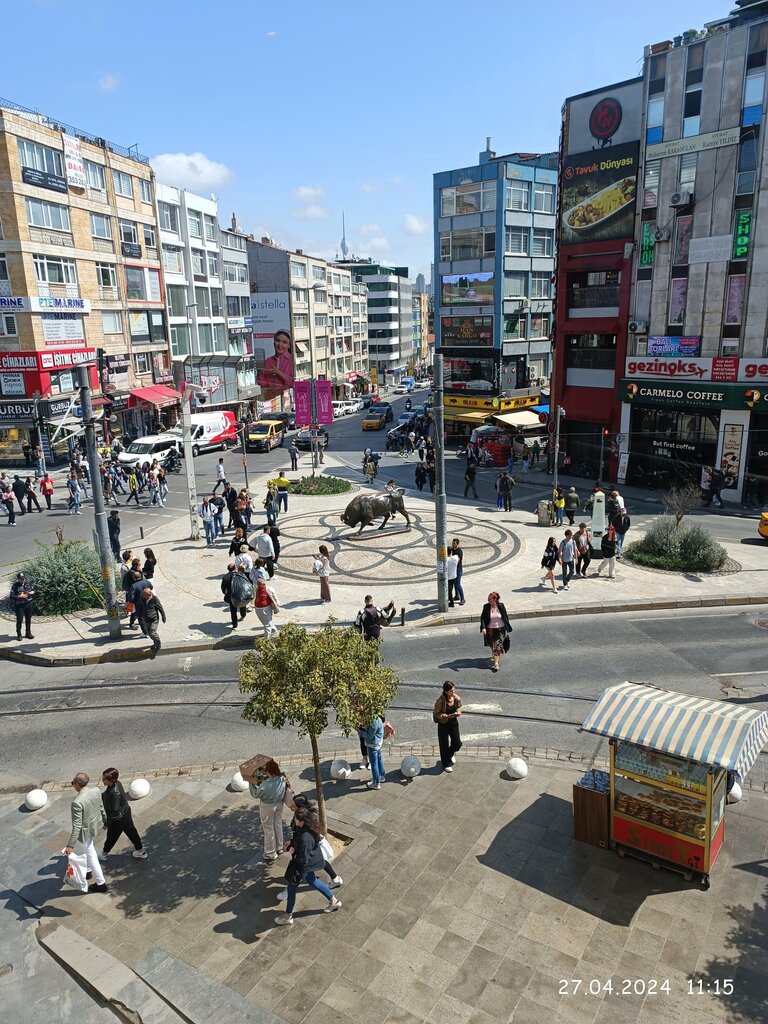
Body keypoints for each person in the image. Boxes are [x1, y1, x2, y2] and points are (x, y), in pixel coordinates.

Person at [274, 804, 341, 926]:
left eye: (296, 819)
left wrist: (290, 853)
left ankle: (288, 916)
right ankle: (333, 900)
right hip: (310, 864)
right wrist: (292, 842)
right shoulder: (307, 828)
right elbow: (299, 840)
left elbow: (303, 859)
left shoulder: (306, 838)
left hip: (302, 866)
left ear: (302, 821)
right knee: (313, 882)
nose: (294, 820)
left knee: (292, 887)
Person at [64, 772, 108, 893]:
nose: (73, 785)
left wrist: (70, 845)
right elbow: (101, 807)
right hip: (96, 826)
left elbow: (77, 825)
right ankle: (88, 871)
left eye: (73, 783)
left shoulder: (77, 802)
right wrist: (105, 821)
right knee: (87, 849)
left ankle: (101, 883)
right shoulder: (96, 790)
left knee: (91, 854)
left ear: (78, 785)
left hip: (85, 832)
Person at [100, 767, 147, 860]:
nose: (102, 781)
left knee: (111, 836)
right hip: (125, 813)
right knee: (132, 832)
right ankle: (141, 851)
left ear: (110, 780)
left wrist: (107, 824)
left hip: (118, 819)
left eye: (104, 779)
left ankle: (104, 854)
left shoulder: (114, 793)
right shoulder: (116, 783)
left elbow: (114, 810)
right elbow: (107, 795)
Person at [248, 759, 289, 862]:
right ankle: (279, 848)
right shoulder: (282, 778)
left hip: (267, 807)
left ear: (269, 772)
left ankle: (270, 853)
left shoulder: (265, 785)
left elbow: (255, 794)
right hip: (279, 804)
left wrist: (251, 783)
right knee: (278, 825)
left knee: (268, 829)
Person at [434, 681, 463, 773]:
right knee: (444, 745)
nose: (453, 692)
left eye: (453, 690)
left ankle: (450, 754)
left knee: (457, 743)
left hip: (453, 723)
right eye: (451, 691)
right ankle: (446, 763)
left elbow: (460, 706)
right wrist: (446, 716)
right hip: (443, 724)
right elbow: (436, 713)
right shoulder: (440, 701)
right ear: (446, 691)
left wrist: (458, 712)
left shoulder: (456, 698)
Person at [480, 591, 512, 673]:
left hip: (500, 629)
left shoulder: (501, 606)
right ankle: (494, 653)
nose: (489, 601)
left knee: (497, 646)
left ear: (495, 599)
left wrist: (507, 627)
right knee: (491, 644)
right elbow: (483, 618)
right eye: (488, 599)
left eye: (490, 599)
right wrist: (483, 628)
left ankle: (496, 663)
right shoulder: (486, 607)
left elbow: (505, 616)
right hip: (490, 629)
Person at [137, 587, 165, 657]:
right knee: (149, 633)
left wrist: (163, 617)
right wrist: (138, 615)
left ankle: (158, 644)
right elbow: (140, 607)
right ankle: (155, 643)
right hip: (146, 619)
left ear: (149, 594)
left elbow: (160, 608)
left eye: (144, 595)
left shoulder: (155, 599)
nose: (143, 596)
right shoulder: (142, 599)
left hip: (154, 619)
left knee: (153, 632)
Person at [361, 713, 385, 790]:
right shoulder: (378, 718)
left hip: (373, 745)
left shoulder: (373, 721)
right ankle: (381, 776)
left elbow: (369, 736)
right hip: (378, 743)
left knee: (374, 763)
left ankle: (376, 783)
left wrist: (360, 731)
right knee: (379, 760)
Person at [222, 563, 248, 629]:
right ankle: (243, 615)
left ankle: (235, 624)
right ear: (235, 568)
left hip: (231, 596)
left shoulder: (225, 577)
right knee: (242, 605)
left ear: (228, 569)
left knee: (233, 611)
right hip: (241, 594)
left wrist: (225, 593)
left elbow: (223, 587)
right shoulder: (240, 574)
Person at [11, 571, 35, 640]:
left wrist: (33, 592)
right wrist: (19, 596)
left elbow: (34, 591)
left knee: (28, 619)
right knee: (19, 620)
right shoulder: (15, 586)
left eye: (23, 578)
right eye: (21, 579)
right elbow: (11, 596)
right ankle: (19, 634)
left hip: (28, 604)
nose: (22, 580)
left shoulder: (29, 584)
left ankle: (28, 633)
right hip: (20, 606)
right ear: (18, 579)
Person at [450, 538, 466, 606]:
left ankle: (462, 598)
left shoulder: (459, 551)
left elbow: (457, 560)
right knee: (455, 584)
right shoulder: (452, 550)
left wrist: (451, 557)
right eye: (452, 543)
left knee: (458, 585)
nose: (453, 544)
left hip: (458, 570)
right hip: (454, 570)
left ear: (457, 544)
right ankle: (457, 596)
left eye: (454, 543)